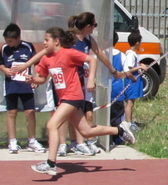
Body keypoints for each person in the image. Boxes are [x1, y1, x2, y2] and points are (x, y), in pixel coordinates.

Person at [28, 27, 135, 176]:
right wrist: (33, 79)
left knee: (52, 124)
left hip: (73, 95)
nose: (44, 43)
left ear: (56, 41)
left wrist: (90, 79)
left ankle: (51, 163)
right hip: (64, 98)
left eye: (47, 40)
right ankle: (120, 130)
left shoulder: (68, 53)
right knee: (86, 131)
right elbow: (42, 78)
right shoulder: (46, 59)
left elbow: (91, 59)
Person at [0, 24, 45, 154]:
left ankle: (32, 141)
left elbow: (38, 63)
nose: (8, 43)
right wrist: (5, 69)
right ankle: (12, 141)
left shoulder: (28, 47)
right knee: (11, 113)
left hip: (25, 85)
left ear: (18, 37)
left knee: (30, 112)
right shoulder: (4, 48)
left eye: (11, 41)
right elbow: (0, 64)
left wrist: (37, 78)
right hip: (11, 85)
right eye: (7, 41)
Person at [122, 29, 146, 128]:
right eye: (140, 42)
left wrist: (139, 64)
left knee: (131, 103)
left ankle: (130, 121)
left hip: (134, 80)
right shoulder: (130, 54)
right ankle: (128, 123)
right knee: (130, 103)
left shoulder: (132, 54)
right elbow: (128, 69)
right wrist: (140, 67)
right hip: (132, 81)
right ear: (137, 43)